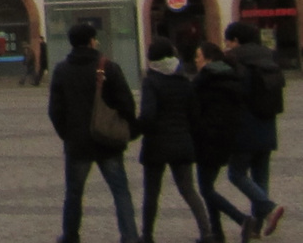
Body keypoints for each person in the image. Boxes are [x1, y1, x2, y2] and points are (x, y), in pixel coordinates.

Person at [48, 20, 140, 243]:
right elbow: (126, 103)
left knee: (74, 194)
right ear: (91, 41)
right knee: (120, 192)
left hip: (77, 143)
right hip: (107, 140)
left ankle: (70, 235)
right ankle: (129, 236)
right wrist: (126, 127)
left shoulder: (61, 70)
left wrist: (67, 134)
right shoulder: (107, 66)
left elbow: (55, 110)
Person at [136, 38, 207, 243]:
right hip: (182, 142)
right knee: (189, 190)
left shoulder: (151, 81)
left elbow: (148, 115)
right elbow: (195, 115)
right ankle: (206, 232)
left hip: (156, 145)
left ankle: (147, 235)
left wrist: (137, 128)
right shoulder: (184, 81)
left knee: (151, 193)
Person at [224, 21, 286, 236]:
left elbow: (232, 94)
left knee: (236, 174)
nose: (227, 45)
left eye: (228, 41)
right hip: (267, 125)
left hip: (243, 127)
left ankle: (269, 208)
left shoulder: (234, 59)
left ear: (236, 41)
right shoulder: (270, 57)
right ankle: (258, 227)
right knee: (260, 177)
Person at [193, 40, 252, 241]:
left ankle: (242, 219)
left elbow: (195, 109)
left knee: (205, 188)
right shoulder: (231, 76)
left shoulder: (205, 80)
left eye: (198, 57)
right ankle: (216, 232)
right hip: (227, 137)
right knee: (208, 185)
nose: (195, 61)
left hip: (207, 138)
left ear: (208, 59)